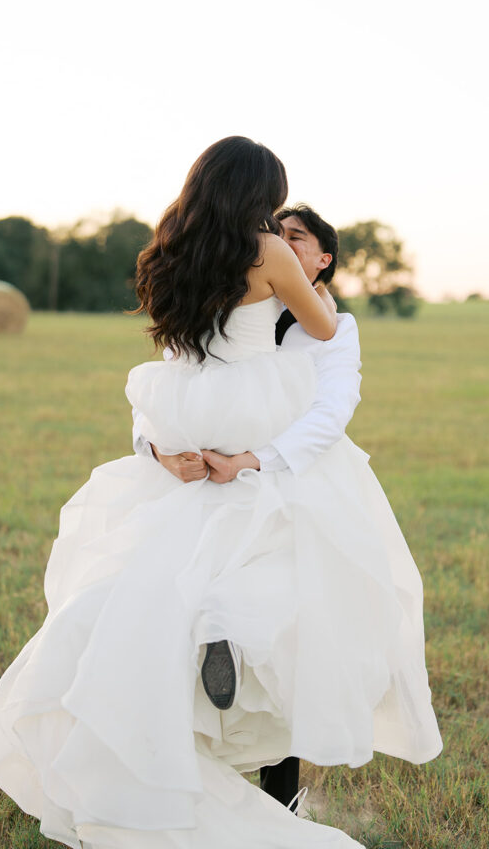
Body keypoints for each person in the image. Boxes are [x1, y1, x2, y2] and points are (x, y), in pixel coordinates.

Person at [0, 137, 441, 849]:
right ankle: (227, 639)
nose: (280, 223)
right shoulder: (266, 252)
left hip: (189, 414)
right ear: (261, 194)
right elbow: (321, 327)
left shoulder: (170, 252)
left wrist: (162, 445)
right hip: (256, 419)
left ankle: (206, 653)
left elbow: (173, 362)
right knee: (293, 589)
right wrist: (305, 285)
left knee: (164, 576)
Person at [133, 203, 363, 811]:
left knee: (287, 646)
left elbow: (332, 412)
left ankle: (278, 800)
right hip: (204, 492)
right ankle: (196, 783)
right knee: (180, 626)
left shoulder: (336, 327)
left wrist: (256, 460)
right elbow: (169, 385)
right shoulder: (222, 294)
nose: (277, 245)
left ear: (320, 259)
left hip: (287, 489)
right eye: (271, 235)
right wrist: (155, 450)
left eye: (294, 238)